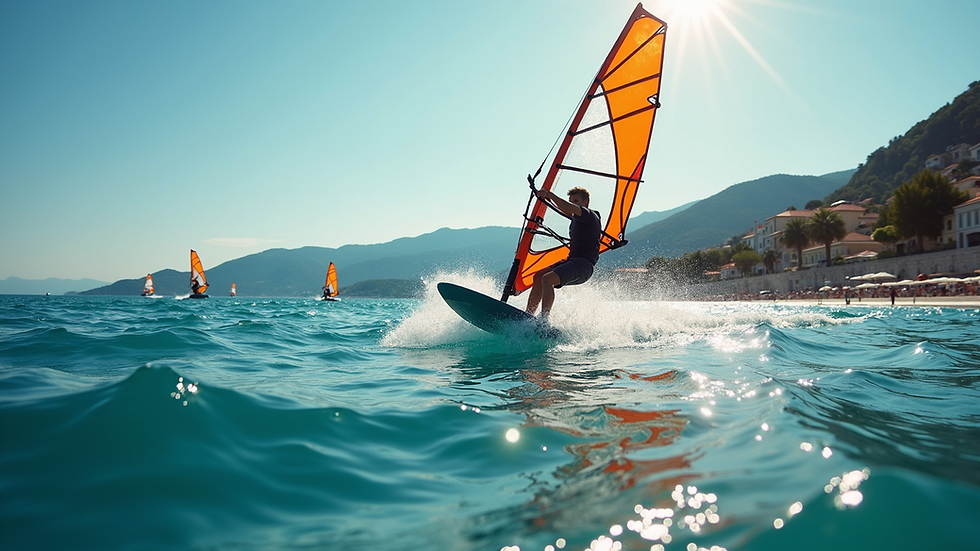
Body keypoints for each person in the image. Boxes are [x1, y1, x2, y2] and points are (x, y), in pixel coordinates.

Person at [525, 186, 602, 319]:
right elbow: (564, 208)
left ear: (586, 202)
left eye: (576, 201)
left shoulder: (590, 215)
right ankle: (527, 315)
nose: (572, 204)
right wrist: (547, 198)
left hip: (583, 265)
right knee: (539, 276)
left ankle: (544, 320)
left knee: (547, 279)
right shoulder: (576, 218)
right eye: (571, 201)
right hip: (573, 261)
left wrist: (550, 194)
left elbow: (566, 206)